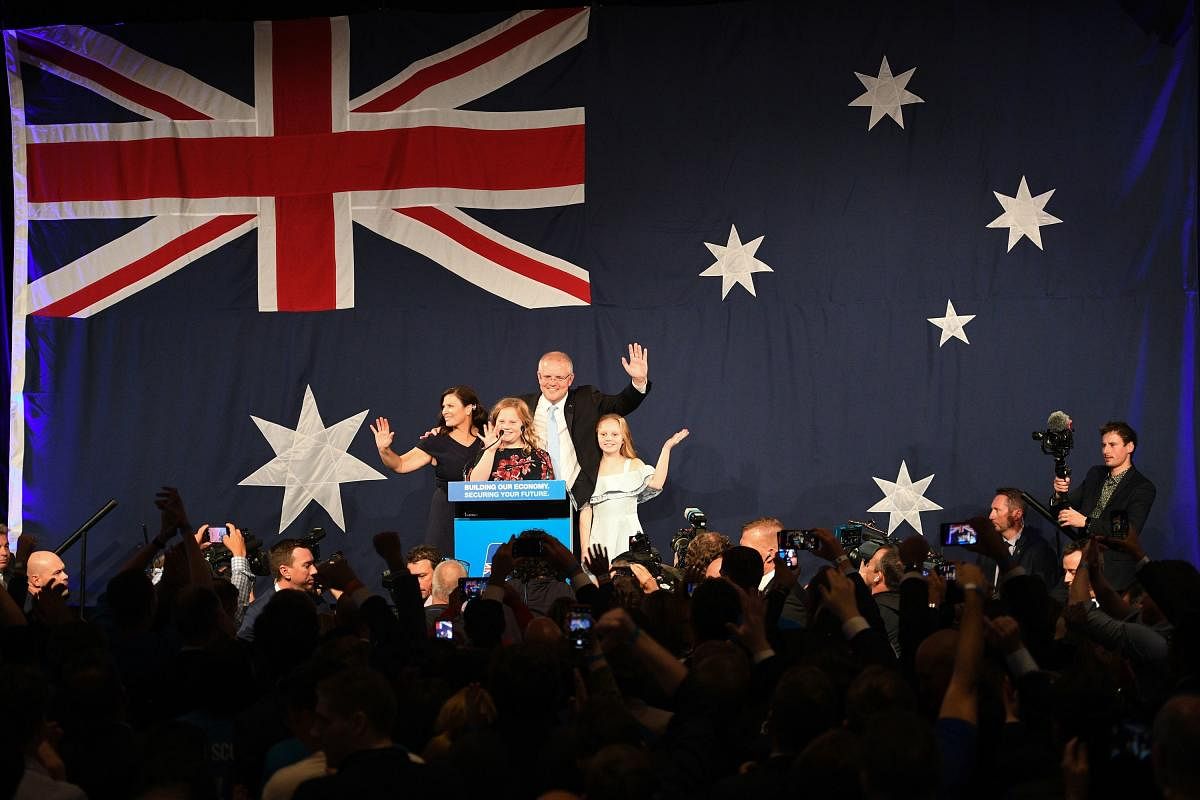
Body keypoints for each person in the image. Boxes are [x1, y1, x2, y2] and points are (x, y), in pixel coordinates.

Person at [519, 344, 651, 508]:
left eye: (559, 378)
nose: (552, 383)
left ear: (570, 379)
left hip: (578, 501)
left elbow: (621, 404)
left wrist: (638, 381)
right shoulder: (521, 407)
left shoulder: (586, 399)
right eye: (547, 376)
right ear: (539, 377)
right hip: (532, 499)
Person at [371, 386, 486, 555]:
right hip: (447, 513)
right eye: (443, 407)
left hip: (482, 514)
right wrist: (384, 450)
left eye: (450, 406)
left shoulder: (488, 438)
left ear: (469, 408)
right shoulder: (436, 441)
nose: (445, 411)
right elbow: (400, 465)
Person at [1055, 420, 1156, 588]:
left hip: (1112, 571)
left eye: (1112, 445)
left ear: (1129, 447)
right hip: (1081, 562)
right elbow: (1065, 507)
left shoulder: (1141, 487)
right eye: (1103, 445)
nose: (1106, 451)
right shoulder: (1096, 474)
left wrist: (1086, 522)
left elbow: (1125, 531)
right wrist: (1059, 493)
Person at [579, 414, 688, 559]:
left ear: (623, 438)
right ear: (597, 436)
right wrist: (585, 549)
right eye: (603, 434)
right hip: (600, 537)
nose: (608, 438)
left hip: (629, 536)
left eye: (614, 434)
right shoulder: (590, 470)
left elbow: (657, 483)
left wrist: (667, 448)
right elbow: (586, 511)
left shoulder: (633, 465)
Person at [975, 488, 1058, 589]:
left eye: (997, 510)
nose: (990, 516)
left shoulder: (1039, 551)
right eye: (992, 510)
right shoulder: (988, 548)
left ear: (1017, 514)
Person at [237, 539, 319, 641]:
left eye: (313, 564)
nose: (315, 571)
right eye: (307, 566)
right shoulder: (258, 612)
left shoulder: (317, 602)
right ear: (285, 571)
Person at [468, 398, 554, 481]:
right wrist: (490, 450)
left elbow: (550, 491)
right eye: (501, 421)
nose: (506, 427)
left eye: (512, 422)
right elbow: (474, 487)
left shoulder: (540, 456)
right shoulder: (487, 453)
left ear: (524, 425)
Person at [740, 517, 783, 591]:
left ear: (771, 555)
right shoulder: (749, 588)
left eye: (746, 550)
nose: (739, 555)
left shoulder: (786, 595)